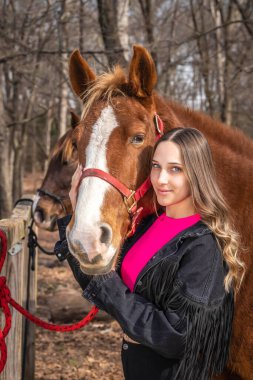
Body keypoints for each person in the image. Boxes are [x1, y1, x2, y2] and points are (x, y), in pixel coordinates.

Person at [54, 127, 245, 380]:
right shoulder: (148, 224)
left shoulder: (203, 245)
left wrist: (110, 287)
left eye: (175, 169)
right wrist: (77, 210)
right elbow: (101, 284)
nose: (161, 179)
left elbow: (177, 336)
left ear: (197, 174)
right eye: (156, 166)